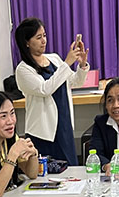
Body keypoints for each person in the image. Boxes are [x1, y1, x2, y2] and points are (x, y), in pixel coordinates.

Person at [14, 17, 89, 167]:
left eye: (45, 36)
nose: (44, 41)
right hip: (43, 131)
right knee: (48, 176)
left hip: (63, 125)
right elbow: (45, 89)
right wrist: (67, 63)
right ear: (27, 42)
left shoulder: (53, 58)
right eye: (38, 37)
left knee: (71, 171)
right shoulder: (23, 69)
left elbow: (75, 82)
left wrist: (81, 65)